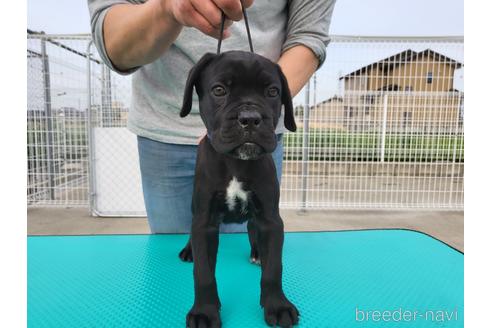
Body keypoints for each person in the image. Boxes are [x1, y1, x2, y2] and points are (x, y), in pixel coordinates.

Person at [88, 0, 336, 233]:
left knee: (246, 254)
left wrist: (252, 111)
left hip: (257, 142)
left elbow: (309, 35)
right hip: (164, 132)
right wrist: (167, 8)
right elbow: (112, 42)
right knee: (176, 256)